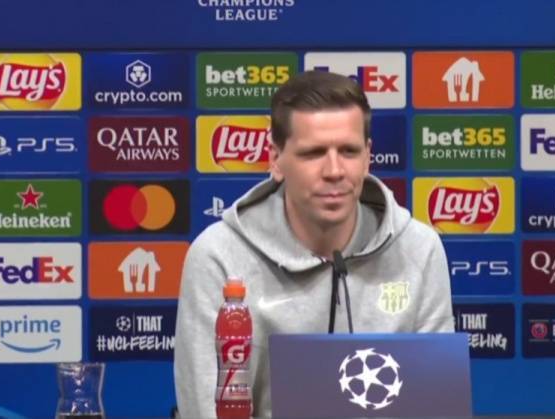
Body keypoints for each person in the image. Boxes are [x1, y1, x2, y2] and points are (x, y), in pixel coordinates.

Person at [174, 70, 454, 418]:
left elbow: (436, 408)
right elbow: (206, 411)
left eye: (349, 151)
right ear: (275, 158)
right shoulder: (219, 257)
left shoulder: (419, 249)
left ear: (368, 156)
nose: (334, 170)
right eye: (314, 153)